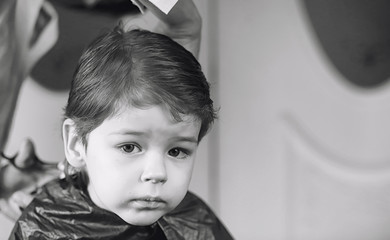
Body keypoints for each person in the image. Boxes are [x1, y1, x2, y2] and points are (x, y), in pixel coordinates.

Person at [8, 1, 233, 239]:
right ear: (75, 143)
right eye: (129, 147)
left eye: (177, 151)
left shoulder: (194, 223)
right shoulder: (44, 228)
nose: (157, 173)